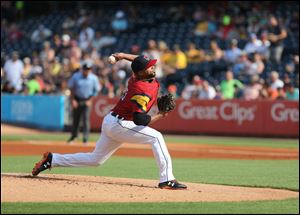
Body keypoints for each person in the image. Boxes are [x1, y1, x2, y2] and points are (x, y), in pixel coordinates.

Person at [32, 53, 187, 190]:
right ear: (140, 72)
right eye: (149, 67)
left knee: (96, 159)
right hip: (121, 124)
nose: (153, 68)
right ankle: (167, 179)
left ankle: (53, 159)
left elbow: (139, 60)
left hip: (112, 121)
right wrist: (161, 115)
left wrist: (122, 55)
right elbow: (139, 120)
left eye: (152, 65)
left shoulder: (137, 76)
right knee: (156, 137)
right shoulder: (141, 90)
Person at [67, 60, 100, 144]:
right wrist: (73, 100)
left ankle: (85, 138)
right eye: (85, 69)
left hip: (87, 99)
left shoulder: (94, 78)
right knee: (76, 119)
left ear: (91, 70)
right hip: (77, 99)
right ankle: (73, 137)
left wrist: (90, 100)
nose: (87, 71)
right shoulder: (76, 76)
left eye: (88, 69)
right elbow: (71, 88)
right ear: (82, 69)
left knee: (86, 119)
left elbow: (95, 91)